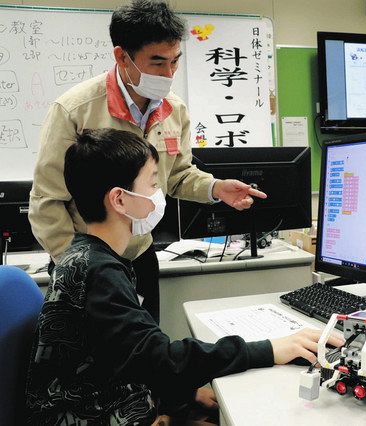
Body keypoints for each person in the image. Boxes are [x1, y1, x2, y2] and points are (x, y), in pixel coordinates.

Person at [24, 128, 344, 425]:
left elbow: (130, 357)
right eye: (152, 184)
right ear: (119, 199)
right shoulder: (101, 273)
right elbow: (164, 361)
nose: (159, 194)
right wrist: (270, 349)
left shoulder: (86, 255)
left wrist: (185, 395)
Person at [28, 0, 258, 324]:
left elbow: (177, 176)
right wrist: (79, 265)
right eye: (157, 62)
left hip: (140, 256)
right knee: (90, 354)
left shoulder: (174, 109)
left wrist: (215, 188)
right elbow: (47, 201)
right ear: (122, 57)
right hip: (86, 259)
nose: (169, 74)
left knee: (145, 349)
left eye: (175, 61)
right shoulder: (75, 110)